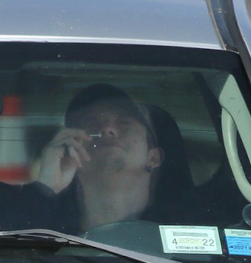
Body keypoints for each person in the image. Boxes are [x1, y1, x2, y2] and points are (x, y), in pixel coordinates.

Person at [29, 83, 192, 233]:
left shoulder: (188, 225)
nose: (106, 129)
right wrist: (45, 190)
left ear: (153, 158)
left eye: (124, 123)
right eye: (92, 123)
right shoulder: (41, 224)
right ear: (71, 152)